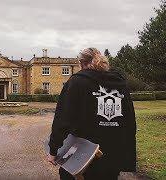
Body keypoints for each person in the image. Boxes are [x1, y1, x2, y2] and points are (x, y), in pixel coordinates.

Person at [47, 48, 136, 180]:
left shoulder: (77, 82)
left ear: (81, 63)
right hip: (112, 155)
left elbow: (63, 120)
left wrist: (53, 150)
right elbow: (130, 123)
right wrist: (125, 155)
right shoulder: (120, 84)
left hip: (82, 156)